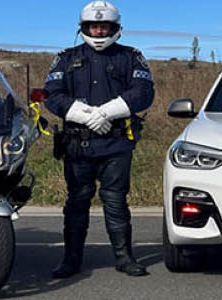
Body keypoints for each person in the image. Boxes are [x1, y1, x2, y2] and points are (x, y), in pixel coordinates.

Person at [43, 0, 154, 278]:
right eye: (94, 25)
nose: (99, 31)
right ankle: (70, 260)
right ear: (84, 27)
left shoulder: (131, 56)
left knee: (116, 201)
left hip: (116, 144)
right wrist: (83, 115)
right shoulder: (65, 57)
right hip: (77, 145)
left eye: (104, 26)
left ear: (115, 28)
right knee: (77, 202)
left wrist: (106, 112)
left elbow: (144, 92)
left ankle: (125, 257)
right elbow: (52, 94)